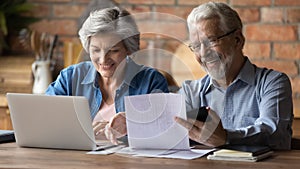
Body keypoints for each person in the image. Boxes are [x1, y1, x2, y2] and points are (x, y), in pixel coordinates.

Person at [174, 2, 293, 150]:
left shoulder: (272, 82)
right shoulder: (190, 92)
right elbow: (172, 134)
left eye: (211, 41)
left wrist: (226, 138)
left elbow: (275, 134)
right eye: (197, 46)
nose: (203, 54)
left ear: (237, 40)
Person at [45, 7, 169, 144]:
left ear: (129, 49)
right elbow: (44, 118)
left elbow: (165, 131)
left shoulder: (151, 81)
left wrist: (132, 125)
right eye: (96, 50)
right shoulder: (70, 77)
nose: (103, 59)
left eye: (114, 50)